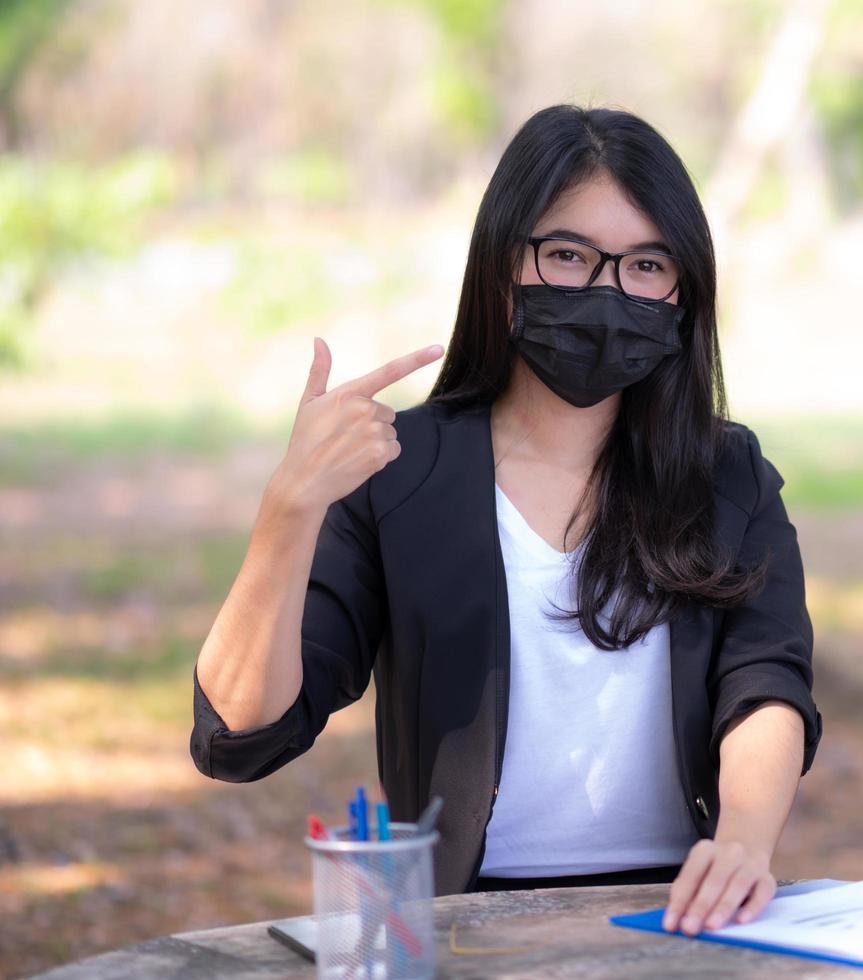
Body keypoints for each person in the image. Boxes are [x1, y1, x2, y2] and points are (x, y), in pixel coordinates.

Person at [189, 103, 822, 934]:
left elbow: (765, 683)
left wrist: (741, 843)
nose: (608, 290)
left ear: (681, 292)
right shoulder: (398, 471)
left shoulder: (724, 471)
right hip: (463, 923)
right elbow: (241, 733)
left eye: (646, 266)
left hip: (682, 914)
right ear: (501, 268)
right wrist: (288, 507)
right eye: (568, 255)